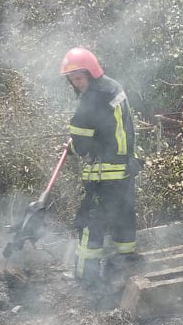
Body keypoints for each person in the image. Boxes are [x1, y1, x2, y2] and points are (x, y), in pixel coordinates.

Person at [60, 46, 140, 285]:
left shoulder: (92, 100)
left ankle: (86, 277)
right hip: (125, 169)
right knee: (123, 217)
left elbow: (82, 146)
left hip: (103, 174)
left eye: (80, 78)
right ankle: (125, 269)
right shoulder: (114, 87)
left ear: (91, 72)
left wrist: (71, 147)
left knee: (90, 222)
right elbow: (116, 128)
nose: (77, 83)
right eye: (73, 80)